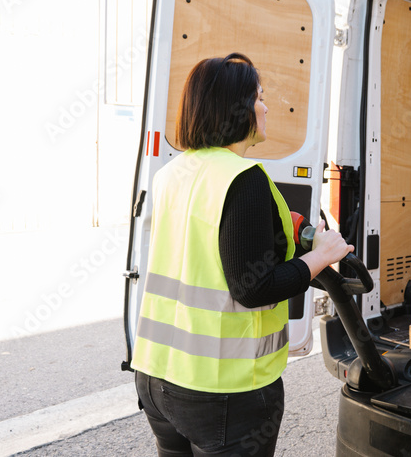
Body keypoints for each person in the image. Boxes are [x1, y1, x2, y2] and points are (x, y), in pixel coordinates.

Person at [132, 52, 353, 457]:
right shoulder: (242, 178)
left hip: (155, 377)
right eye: (260, 98)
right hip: (222, 391)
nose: (266, 108)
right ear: (236, 109)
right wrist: (322, 256)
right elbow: (253, 289)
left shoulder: (171, 173)